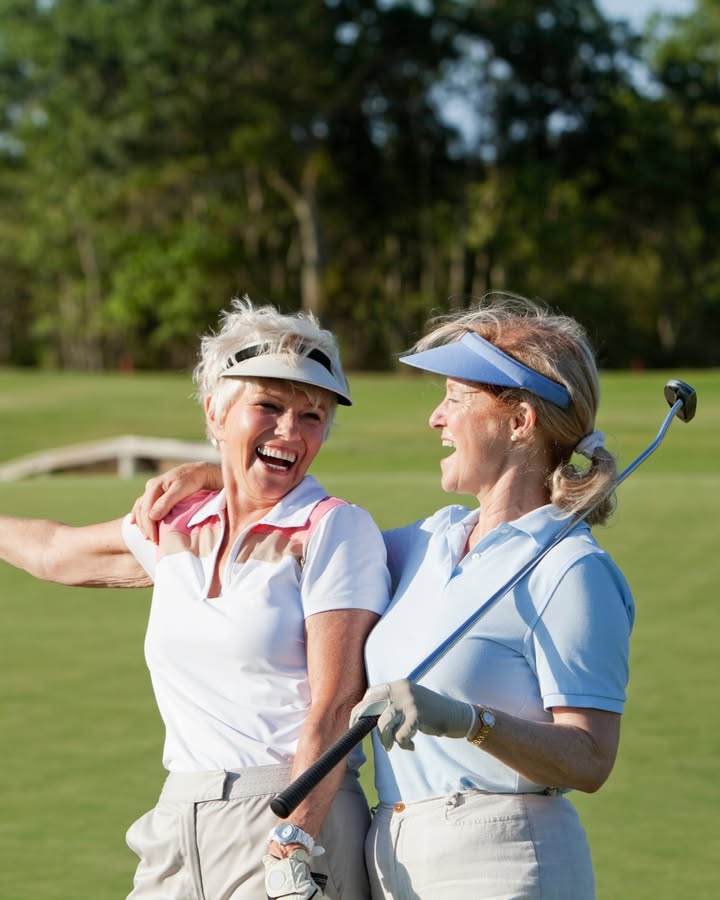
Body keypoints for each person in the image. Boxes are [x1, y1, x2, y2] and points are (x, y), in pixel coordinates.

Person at [131, 293, 635, 900]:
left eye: (455, 398)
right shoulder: (431, 540)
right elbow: (301, 529)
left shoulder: (573, 569)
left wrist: (471, 722)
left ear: (520, 422)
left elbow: (588, 760)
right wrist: (221, 475)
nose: (435, 418)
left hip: (506, 860)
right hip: (394, 860)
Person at [0, 297, 390, 900]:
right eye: (268, 405)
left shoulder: (334, 529)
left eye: (312, 416)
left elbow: (336, 706)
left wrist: (293, 843)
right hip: (177, 821)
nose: (290, 430)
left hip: (289, 814)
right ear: (216, 413)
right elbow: (57, 552)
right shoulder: (179, 522)